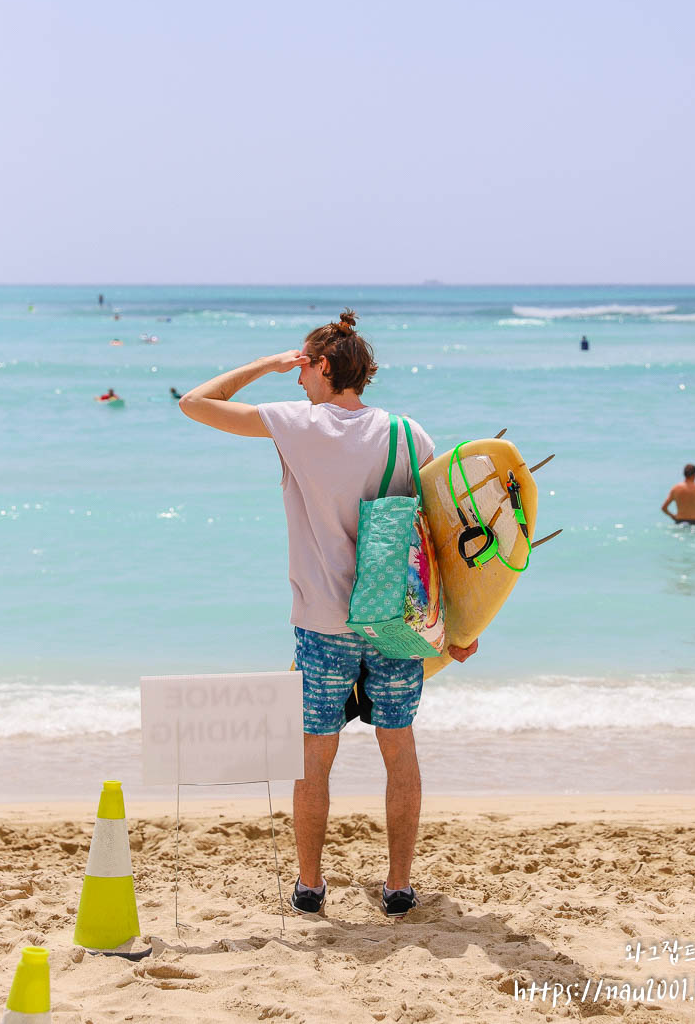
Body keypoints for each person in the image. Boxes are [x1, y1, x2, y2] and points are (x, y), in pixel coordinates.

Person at [179, 309, 476, 920]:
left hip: (322, 625)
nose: (296, 379)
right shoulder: (407, 434)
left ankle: (311, 886)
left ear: (320, 366)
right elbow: (440, 539)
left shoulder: (297, 425)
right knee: (400, 750)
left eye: (301, 367)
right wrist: (460, 628)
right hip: (395, 623)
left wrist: (266, 362)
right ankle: (398, 887)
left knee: (315, 755)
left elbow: (196, 403)